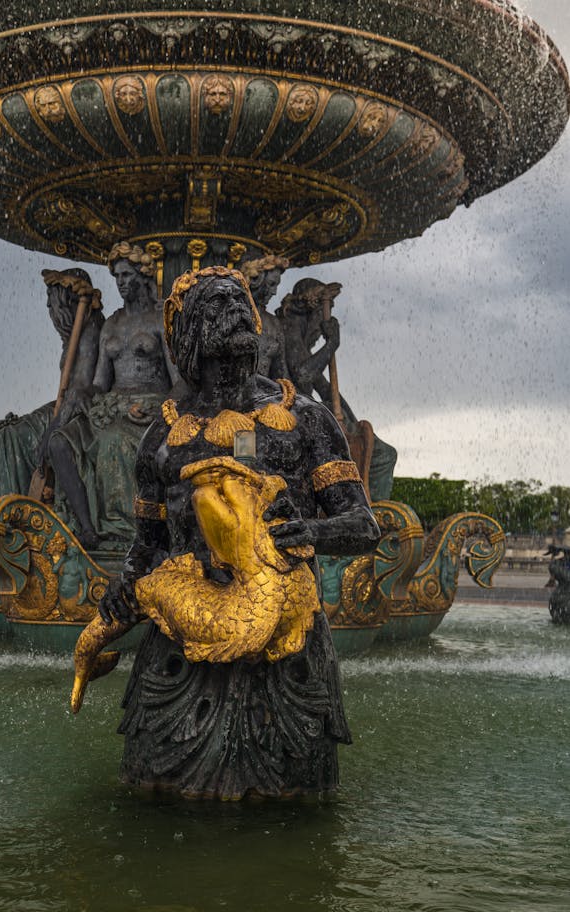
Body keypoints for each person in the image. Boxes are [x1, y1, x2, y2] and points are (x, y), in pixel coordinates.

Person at [97, 266, 380, 799]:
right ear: (187, 337)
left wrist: (312, 531)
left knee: (293, 813)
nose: (231, 308)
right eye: (214, 303)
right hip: (182, 655)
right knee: (159, 802)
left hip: (285, 653)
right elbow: (149, 543)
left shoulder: (305, 419)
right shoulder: (162, 437)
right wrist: (123, 587)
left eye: (237, 300)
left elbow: (363, 525)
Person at [39, 241, 179, 549]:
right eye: (117, 277)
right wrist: (80, 393)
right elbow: (100, 382)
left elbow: (179, 383)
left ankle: (123, 532)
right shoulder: (112, 323)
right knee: (59, 443)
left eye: (127, 275)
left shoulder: (161, 321)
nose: (122, 283)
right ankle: (87, 531)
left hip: (149, 407)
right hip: (110, 405)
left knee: (112, 440)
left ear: (144, 276)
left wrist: (159, 411)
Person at [0, 267, 104, 507]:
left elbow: (80, 391)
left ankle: (12, 515)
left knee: (9, 442)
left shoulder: (91, 330)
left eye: (53, 305)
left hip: (81, 410)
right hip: (63, 405)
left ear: (69, 303)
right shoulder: (72, 335)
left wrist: (53, 425)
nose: (50, 312)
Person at [277, 277, 398, 500]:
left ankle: (373, 508)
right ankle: (365, 508)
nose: (323, 325)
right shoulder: (289, 327)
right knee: (382, 456)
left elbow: (324, 387)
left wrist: (355, 426)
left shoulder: (298, 335)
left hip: (304, 414)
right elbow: (304, 373)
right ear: (311, 309)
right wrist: (332, 344)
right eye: (324, 314)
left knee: (383, 454)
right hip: (287, 417)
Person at [241, 254, 290, 380]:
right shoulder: (233, 316)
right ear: (256, 281)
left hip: (265, 396)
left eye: (276, 286)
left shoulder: (274, 324)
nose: (274, 292)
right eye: (271, 284)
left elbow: (282, 376)